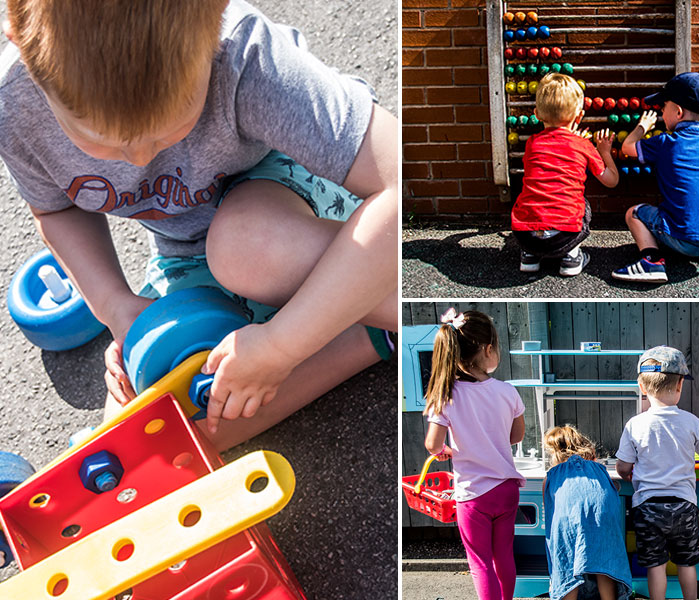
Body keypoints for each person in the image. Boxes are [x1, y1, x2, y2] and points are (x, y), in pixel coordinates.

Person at [0, 0, 397, 450]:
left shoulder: (245, 56)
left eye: (167, 128)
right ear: (24, 49)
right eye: (99, 140)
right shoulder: (16, 104)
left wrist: (283, 346)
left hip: (307, 210)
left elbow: (399, 184)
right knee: (144, 436)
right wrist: (118, 310)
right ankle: (367, 330)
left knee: (244, 251)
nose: (141, 159)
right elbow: (57, 210)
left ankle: (369, 299)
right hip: (191, 249)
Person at [423, 308, 526, 600]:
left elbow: (433, 445)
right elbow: (516, 436)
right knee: (503, 555)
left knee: (481, 564)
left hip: (473, 494)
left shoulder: (446, 395)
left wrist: (446, 451)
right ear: (488, 349)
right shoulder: (508, 392)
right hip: (506, 490)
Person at [615, 346, 699, 600]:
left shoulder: (635, 424)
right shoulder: (691, 422)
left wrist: (629, 473)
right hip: (685, 507)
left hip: (648, 508)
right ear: (680, 385)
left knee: (656, 566)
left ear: (642, 387)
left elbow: (622, 468)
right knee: (686, 564)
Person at [612, 72, 699, 283]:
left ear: (678, 112)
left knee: (633, 213)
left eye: (664, 107)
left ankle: (651, 262)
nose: (661, 111)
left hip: (685, 241)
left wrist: (643, 127)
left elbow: (627, 147)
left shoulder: (665, 143)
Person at [511, 73, 618, 277]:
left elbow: (554, 154)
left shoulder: (532, 144)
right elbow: (611, 181)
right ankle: (571, 257)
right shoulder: (583, 145)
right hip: (563, 237)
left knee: (532, 197)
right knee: (579, 202)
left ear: (537, 114)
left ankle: (529, 257)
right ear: (579, 117)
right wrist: (604, 152)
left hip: (525, 236)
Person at [542, 425, 632, 600]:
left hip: (567, 520)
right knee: (604, 561)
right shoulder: (599, 469)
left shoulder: (553, 474)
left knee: (567, 561)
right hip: (602, 517)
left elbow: (551, 511)